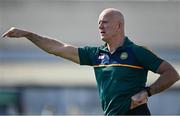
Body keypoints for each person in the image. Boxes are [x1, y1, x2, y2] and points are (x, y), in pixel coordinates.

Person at [1, 8, 179, 115]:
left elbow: (172, 74)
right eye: (99, 22)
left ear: (119, 26)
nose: (100, 26)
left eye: (105, 22)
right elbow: (58, 48)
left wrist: (147, 92)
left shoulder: (137, 52)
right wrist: (28, 34)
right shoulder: (97, 54)